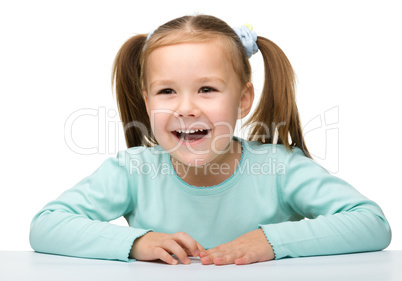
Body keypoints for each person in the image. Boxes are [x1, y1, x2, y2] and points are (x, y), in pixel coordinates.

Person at [29, 14, 391, 266]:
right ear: (146, 101)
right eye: (167, 91)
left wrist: (272, 242)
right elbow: (46, 226)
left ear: (243, 99)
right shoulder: (133, 170)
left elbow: (371, 223)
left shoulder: (278, 168)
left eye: (207, 89)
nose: (186, 108)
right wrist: (135, 243)